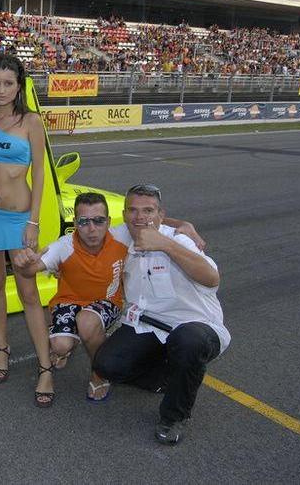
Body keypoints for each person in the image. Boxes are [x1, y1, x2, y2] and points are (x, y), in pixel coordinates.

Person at [92, 184, 229, 445]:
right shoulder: (121, 235)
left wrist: (166, 244)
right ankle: (169, 376)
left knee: (187, 342)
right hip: (149, 325)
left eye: (148, 211)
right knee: (107, 365)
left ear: (160, 214)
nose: (140, 217)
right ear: (124, 214)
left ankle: (174, 416)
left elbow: (212, 278)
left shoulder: (178, 239)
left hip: (196, 326)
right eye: (133, 210)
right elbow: (86, 232)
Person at [0, 54, 55, 407]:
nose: (1, 89)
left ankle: (45, 367)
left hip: (18, 220)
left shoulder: (31, 121)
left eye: (8, 83)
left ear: (19, 86)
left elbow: (40, 175)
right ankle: (2, 350)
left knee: (29, 293)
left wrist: (33, 222)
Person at [13, 192, 127, 402]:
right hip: (69, 301)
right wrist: (23, 264)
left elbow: (153, 221)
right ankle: (67, 344)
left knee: (86, 322)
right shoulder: (64, 245)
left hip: (108, 302)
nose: (92, 228)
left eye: (99, 220)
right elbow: (31, 270)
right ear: (75, 223)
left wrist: (184, 226)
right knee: (60, 345)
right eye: (84, 222)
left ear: (109, 222)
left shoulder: (122, 235)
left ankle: (99, 372)